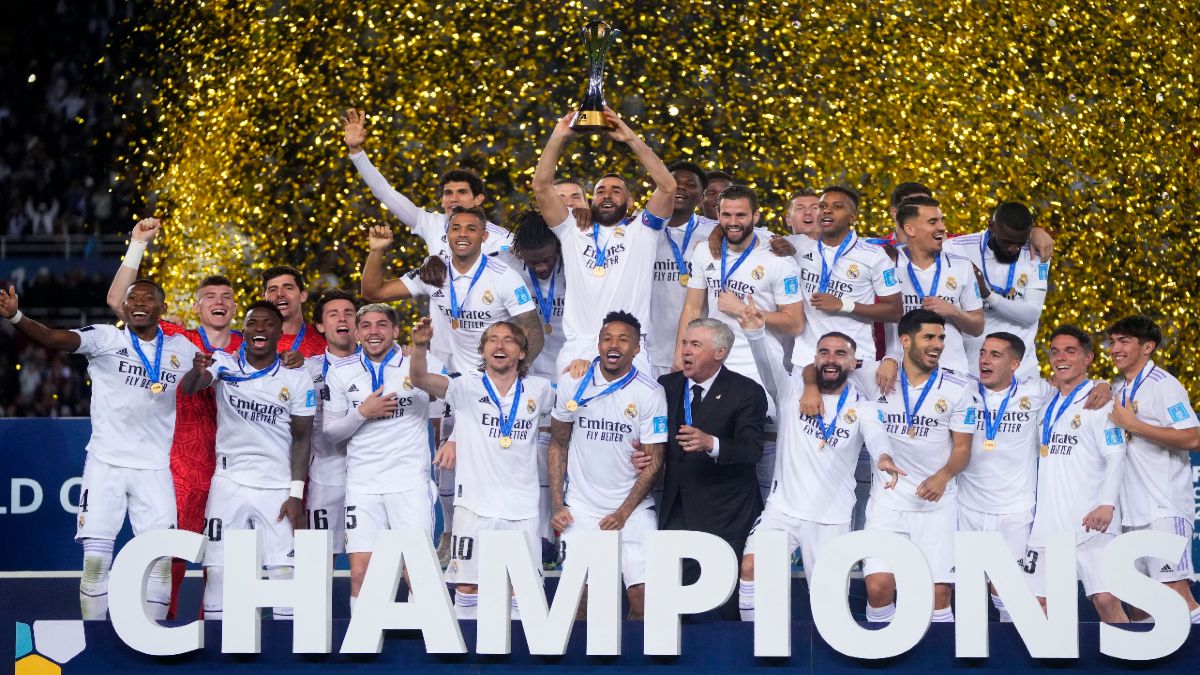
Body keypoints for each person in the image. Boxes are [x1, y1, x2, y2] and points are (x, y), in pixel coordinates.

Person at [1, 279, 200, 621]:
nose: (139, 303)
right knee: (95, 561)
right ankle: (94, 639)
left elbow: (210, 375)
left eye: (148, 299)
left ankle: (152, 637)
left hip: (154, 468)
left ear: (162, 309)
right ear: (124, 307)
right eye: (132, 298)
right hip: (106, 463)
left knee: (160, 559)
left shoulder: (182, 349)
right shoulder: (106, 338)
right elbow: (53, 338)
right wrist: (16, 317)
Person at [105, 217, 244, 619]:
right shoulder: (177, 338)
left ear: (235, 307)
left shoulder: (253, 344)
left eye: (227, 296)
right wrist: (137, 243)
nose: (219, 301)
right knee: (174, 548)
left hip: (236, 464)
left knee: (227, 552)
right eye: (210, 296)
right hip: (183, 460)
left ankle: (217, 629)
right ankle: (161, 624)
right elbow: (117, 302)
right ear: (196, 307)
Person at [735, 297, 898, 621]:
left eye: (840, 353)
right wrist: (754, 332)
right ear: (815, 359)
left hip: (830, 518)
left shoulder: (863, 406)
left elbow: (876, 434)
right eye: (824, 352)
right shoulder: (790, 391)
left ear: (853, 362)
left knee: (829, 607)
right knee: (752, 567)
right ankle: (750, 641)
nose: (831, 359)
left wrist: (884, 457)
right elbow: (766, 362)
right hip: (782, 510)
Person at [409, 318, 553, 619]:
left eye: (509, 340)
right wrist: (419, 347)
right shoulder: (464, 386)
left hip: (522, 508)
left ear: (522, 353)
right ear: (483, 350)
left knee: (522, 590)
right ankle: (466, 649)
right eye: (492, 340)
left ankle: (518, 650)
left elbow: (572, 413)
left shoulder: (540, 389)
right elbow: (420, 379)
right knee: (468, 588)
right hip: (474, 506)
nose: (500, 345)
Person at [180, 301, 316, 620]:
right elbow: (191, 387)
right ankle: (218, 645)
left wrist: (295, 494)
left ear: (279, 333)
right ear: (244, 330)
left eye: (268, 324)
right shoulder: (224, 363)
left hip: (276, 488)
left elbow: (302, 438)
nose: (260, 329)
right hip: (229, 485)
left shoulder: (297, 378)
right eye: (253, 323)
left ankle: (284, 646)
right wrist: (197, 371)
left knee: (284, 572)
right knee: (218, 570)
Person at [677, 185, 805, 500]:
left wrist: (744, 311)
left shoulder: (777, 259)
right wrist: (681, 357)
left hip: (759, 367)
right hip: (712, 366)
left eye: (741, 215)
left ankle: (767, 518)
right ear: (717, 215)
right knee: (707, 447)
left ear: (756, 216)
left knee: (760, 451)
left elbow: (794, 321)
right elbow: (693, 309)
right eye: (727, 215)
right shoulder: (704, 252)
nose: (733, 222)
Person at [531, 107, 676, 374]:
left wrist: (630, 138)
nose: (607, 195)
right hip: (578, 346)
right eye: (600, 191)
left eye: (616, 190)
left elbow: (668, 187)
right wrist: (558, 136)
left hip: (630, 346)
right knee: (572, 401)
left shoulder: (644, 230)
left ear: (630, 202)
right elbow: (541, 187)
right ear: (591, 200)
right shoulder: (572, 229)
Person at [322, 304, 444, 614]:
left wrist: (452, 441)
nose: (373, 331)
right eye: (366, 326)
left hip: (409, 484)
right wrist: (363, 413)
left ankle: (427, 638)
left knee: (417, 572)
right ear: (357, 333)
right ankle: (365, 642)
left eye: (382, 325)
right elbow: (331, 433)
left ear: (395, 331)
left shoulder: (422, 363)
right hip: (362, 486)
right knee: (361, 575)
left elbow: (458, 398)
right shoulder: (340, 371)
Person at [548, 311, 667, 619]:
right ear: (598, 344)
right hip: (581, 509)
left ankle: (636, 653)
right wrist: (558, 505)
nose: (614, 345)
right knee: (580, 600)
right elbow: (558, 444)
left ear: (636, 349)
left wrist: (623, 513)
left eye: (623, 340)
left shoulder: (650, 393)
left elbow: (655, 461)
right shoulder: (572, 383)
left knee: (643, 599)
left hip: (632, 511)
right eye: (607, 339)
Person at [861, 309, 977, 624]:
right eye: (929, 337)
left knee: (938, 595)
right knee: (878, 587)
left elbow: (963, 448)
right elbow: (825, 363)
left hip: (936, 505)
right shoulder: (875, 376)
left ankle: (938, 654)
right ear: (906, 341)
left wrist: (943, 476)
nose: (938, 344)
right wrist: (889, 360)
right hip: (888, 504)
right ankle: (882, 650)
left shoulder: (957, 387)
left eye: (941, 338)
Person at [657, 317, 767, 620]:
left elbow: (751, 450)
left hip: (726, 514)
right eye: (684, 343)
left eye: (695, 344)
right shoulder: (666, 386)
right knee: (675, 605)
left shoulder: (747, 392)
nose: (686, 351)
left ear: (720, 352)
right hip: (676, 507)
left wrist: (712, 443)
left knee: (721, 607)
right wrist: (644, 454)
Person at [1025, 325, 1128, 623]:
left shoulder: (1101, 402)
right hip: (1049, 525)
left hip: (1091, 520)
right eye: (1055, 352)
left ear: (1088, 358)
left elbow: (1116, 454)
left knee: (1106, 600)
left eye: (1070, 351)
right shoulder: (1046, 402)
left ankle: (1132, 652)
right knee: (1039, 606)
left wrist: (1107, 504)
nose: (1061, 358)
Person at [1105, 315, 1200, 623]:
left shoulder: (1163, 385)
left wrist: (1135, 425)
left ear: (1147, 347)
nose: (1115, 349)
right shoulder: (1118, 388)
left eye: (1124, 341)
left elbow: (1193, 437)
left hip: (1163, 508)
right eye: (1113, 342)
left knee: (1175, 595)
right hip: (1130, 513)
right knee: (1140, 602)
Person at [880, 196, 984, 375]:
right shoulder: (885, 263)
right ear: (910, 229)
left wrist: (953, 310)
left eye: (942, 220)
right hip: (900, 373)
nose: (942, 227)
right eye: (933, 222)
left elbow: (977, 327)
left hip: (951, 373)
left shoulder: (961, 265)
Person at [944, 202, 1048, 380]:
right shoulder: (956, 248)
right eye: (1006, 241)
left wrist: (987, 295)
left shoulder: (1037, 251)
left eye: (1019, 242)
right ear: (990, 226)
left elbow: (1031, 314)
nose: (1013, 249)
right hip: (969, 368)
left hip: (1021, 372)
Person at [304, 290, 364, 574]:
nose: (342, 319)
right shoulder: (306, 369)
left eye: (349, 313)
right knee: (317, 564)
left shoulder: (383, 364)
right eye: (333, 314)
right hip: (325, 475)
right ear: (320, 325)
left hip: (370, 476)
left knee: (370, 561)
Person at [645, 161, 719, 376]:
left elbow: (757, 235)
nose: (681, 187)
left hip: (697, 351)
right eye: (674, 182)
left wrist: (783, 243)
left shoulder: (714, 231)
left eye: (690, 185)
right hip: (647, 350)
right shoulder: (640, 227)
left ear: (701, 197)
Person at [263, 265, 328, 357]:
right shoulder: (247, 341)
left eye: (288, 288)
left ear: (303, 296)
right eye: (273, 290)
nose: (280, 294)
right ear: (264, 299)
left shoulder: (324, 346)